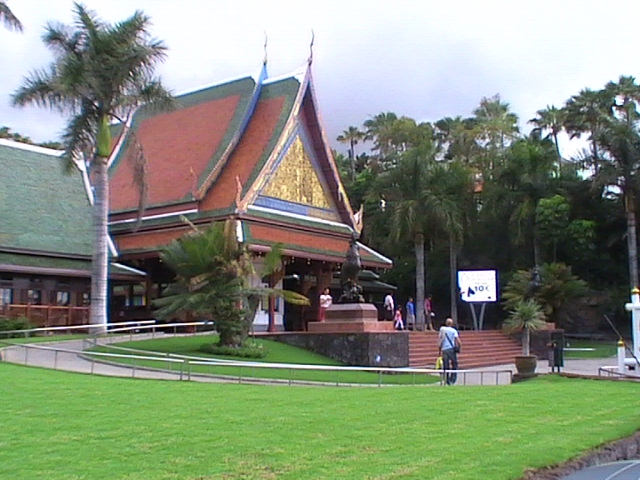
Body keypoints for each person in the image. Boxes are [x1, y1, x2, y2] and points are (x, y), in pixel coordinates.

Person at [438, 317, 461, 385]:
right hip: (451, 349)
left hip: (444, 350)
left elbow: (440, 341)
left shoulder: (442, 330)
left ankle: (446, 380)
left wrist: (439, 351)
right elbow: (458, 341)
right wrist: (459, 348)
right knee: (454, 364)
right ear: (452, 324)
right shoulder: (453, 331)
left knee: (446, 366)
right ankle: (452, 379)